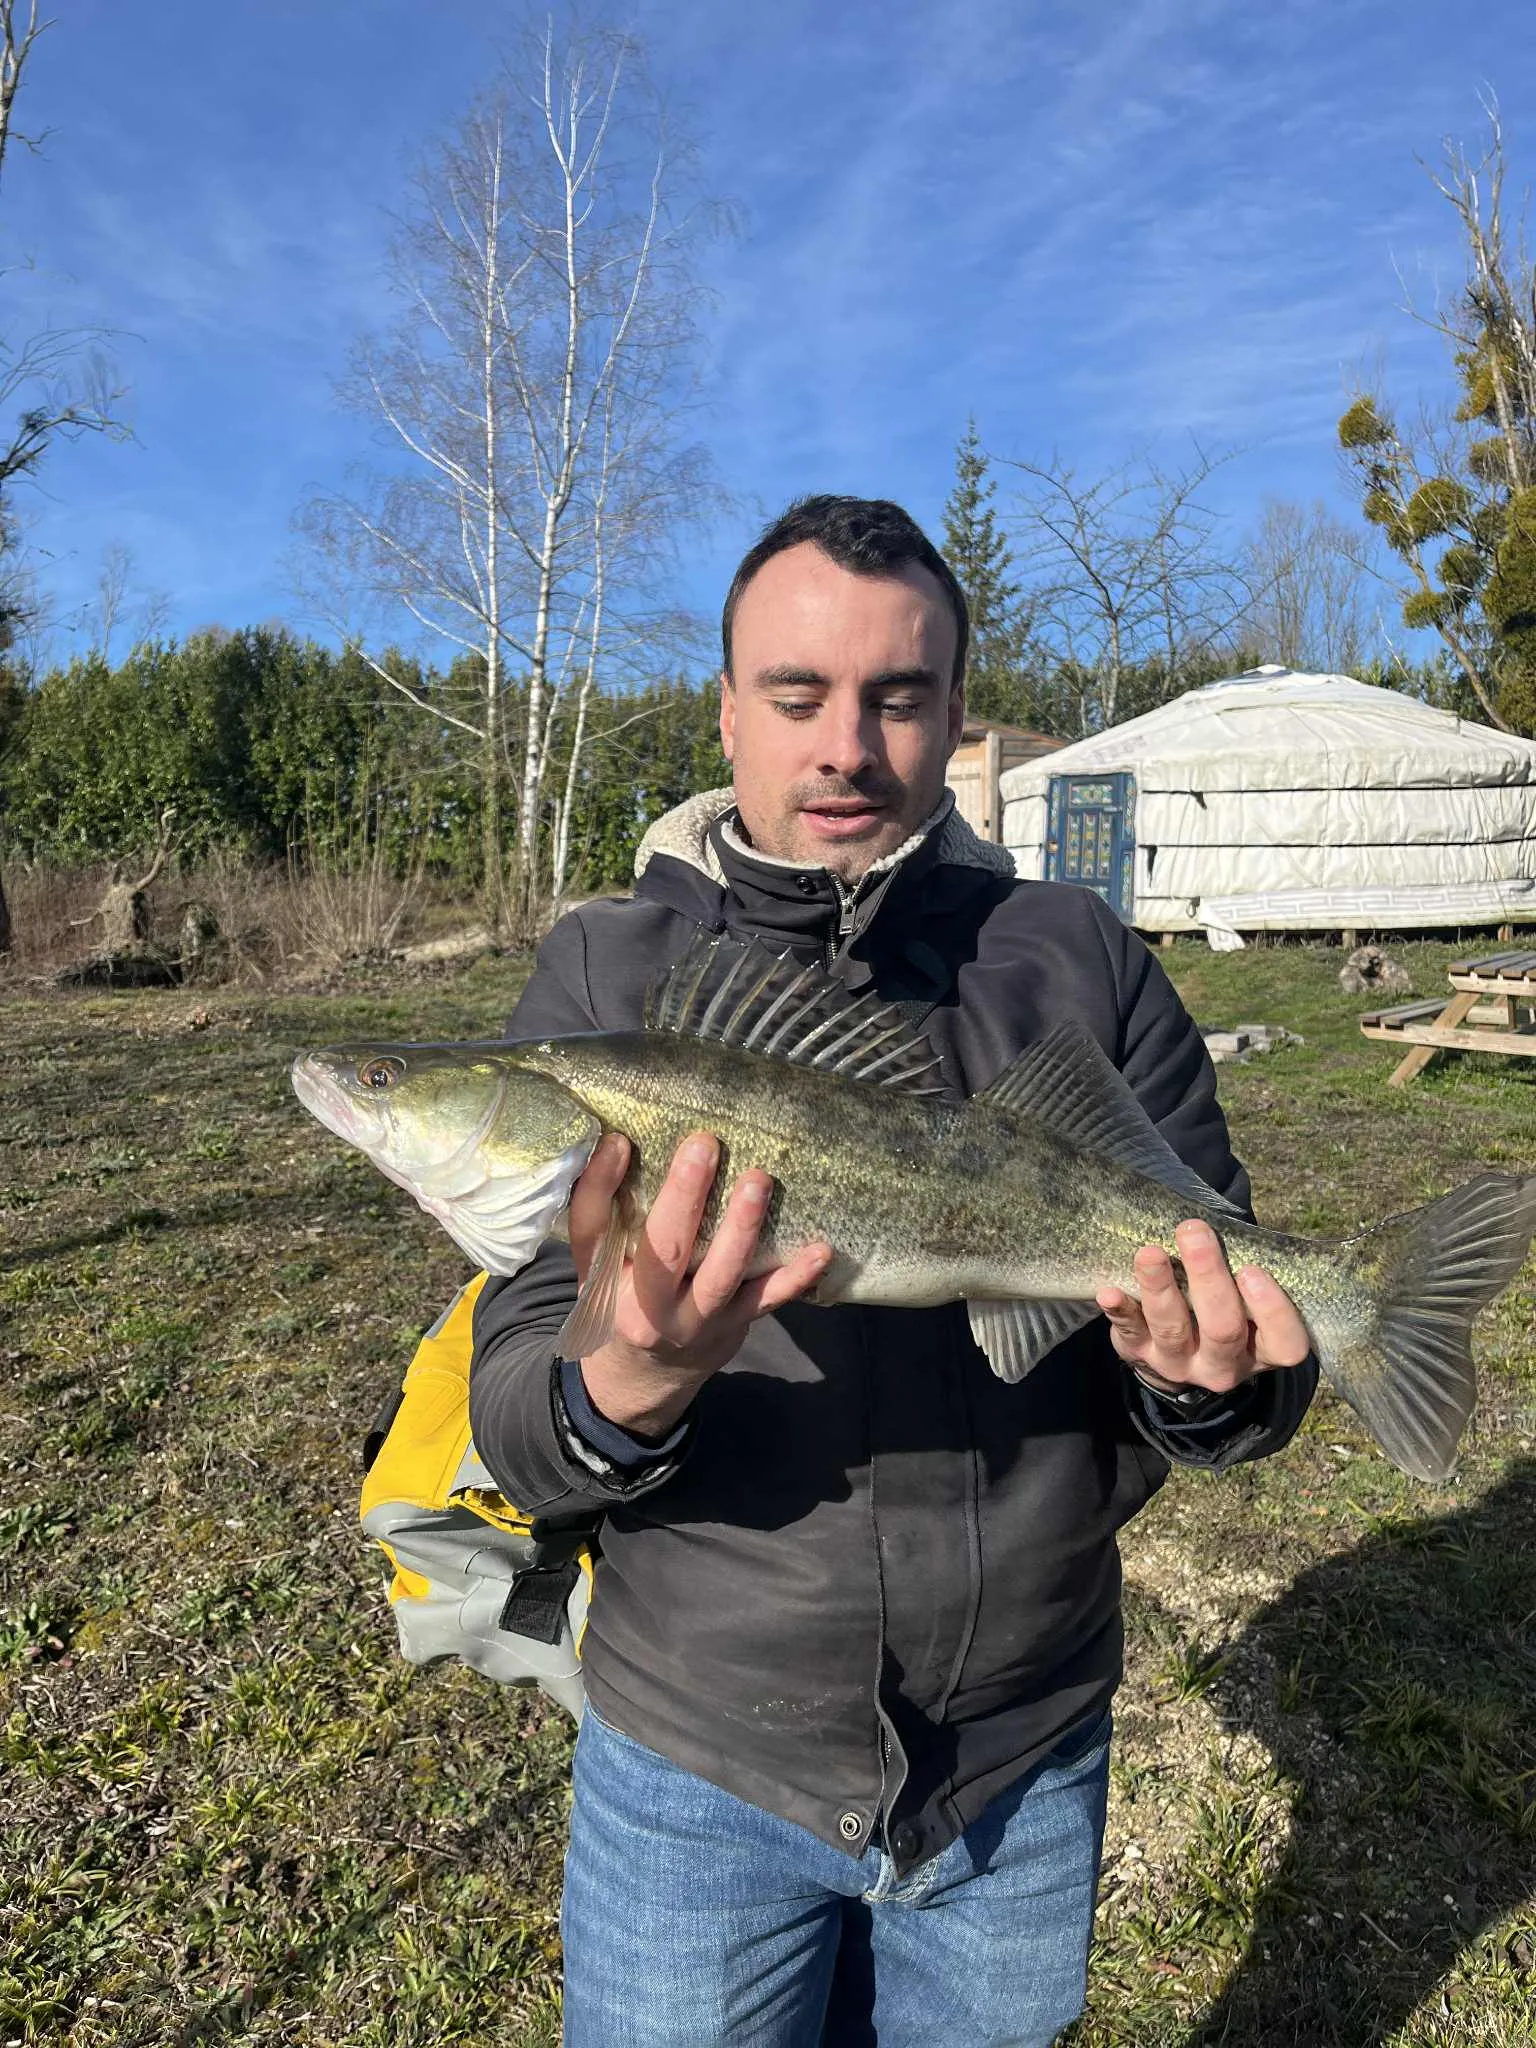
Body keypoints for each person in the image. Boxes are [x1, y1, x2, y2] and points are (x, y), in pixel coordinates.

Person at [468, 495, 1317, 2047]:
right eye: (796, 696)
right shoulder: (606, 985)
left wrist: (1212, 1384)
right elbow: (522, 1434)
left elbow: (1245, 1375)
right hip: (698, 1761)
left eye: (897, 697)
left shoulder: (1080, 961)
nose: (845, 746)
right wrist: (634, 1374)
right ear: (727, 711)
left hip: (1021, 1762)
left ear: (952, 717)